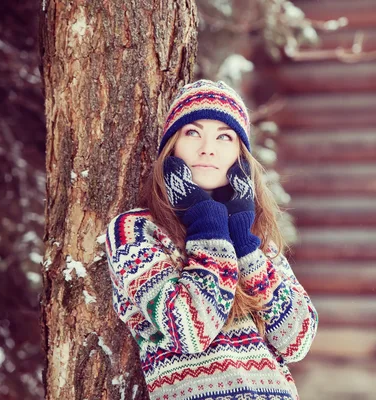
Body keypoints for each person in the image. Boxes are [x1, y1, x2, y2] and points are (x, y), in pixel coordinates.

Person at [104, 79, 318, 400]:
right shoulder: (134, 232)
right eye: (192, 132)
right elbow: (190, 331)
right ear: (171, 146)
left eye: (224, 136)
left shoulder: (255, 238)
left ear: (239, 155)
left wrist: (245, 247)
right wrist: (208, 225)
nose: (208, 148)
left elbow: (297, 339)